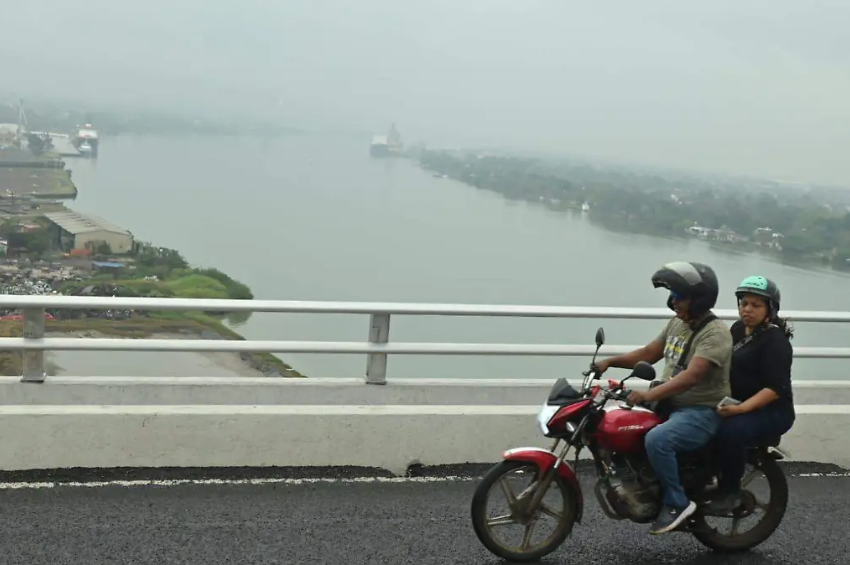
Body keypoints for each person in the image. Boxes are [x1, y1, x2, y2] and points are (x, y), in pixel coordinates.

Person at [594, 261, 732, 535]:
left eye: (679, 296)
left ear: (699, 299)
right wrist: (609, 362)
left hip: (701, 411)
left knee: (658, 440)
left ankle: (677, 502)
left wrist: (648, 394)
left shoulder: (715, 334)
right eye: (673, 296)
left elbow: (692, 376)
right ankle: (642, 482)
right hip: (670, 404)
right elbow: (648, 353)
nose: (673, 302)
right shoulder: (677, 324)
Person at [706, 275, 795, 514]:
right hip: (739, 402)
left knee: (731, 431)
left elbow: (775, 389)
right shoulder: (737, 329)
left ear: (770, 309)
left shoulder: (775, 341)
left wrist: (740, 410)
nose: (747, 310)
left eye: (756, 305)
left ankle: (730, 491)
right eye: (744, 303)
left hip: (771, 411)